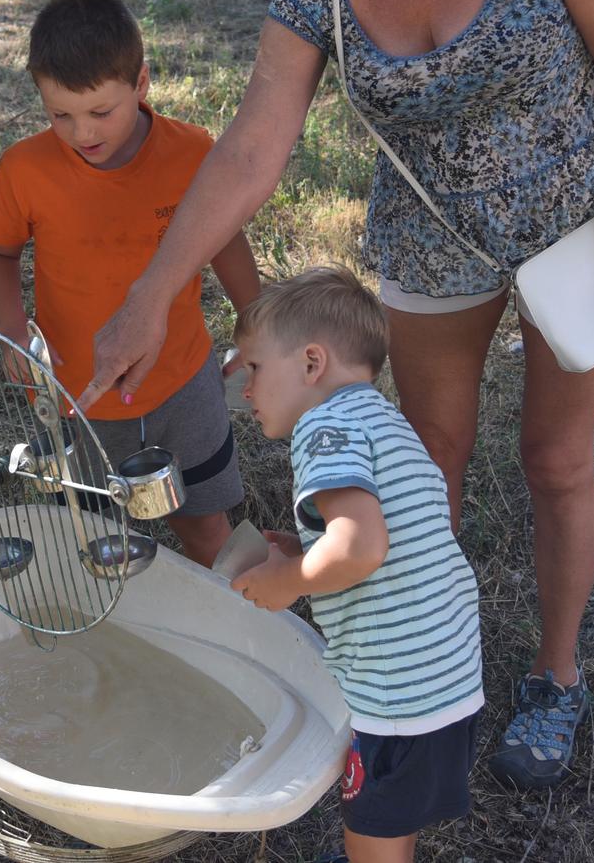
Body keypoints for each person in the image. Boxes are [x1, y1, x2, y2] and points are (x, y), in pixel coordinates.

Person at [79, 0, 594, 793]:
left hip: (575, 232)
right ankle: (412, 676)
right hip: (430, 240)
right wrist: (152, 290)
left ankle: (555, 677)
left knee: (555, 461)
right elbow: (251, 148)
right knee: (425, 462)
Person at [0, 0, 259, 567]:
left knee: (207, 530)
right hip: (77, 398)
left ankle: (228, 636)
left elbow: (223, 238)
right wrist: (11, 327)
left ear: (142, 83)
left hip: (182, 384)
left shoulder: (189, 153)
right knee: (90, 546)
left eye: (101, 111)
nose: (83, 133)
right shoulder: (25, 170)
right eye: (61, 115)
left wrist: (258, 321)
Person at [229, 267, 483, 863]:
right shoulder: (383, 420)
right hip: (445, 675)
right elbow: (382, 534)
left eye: (255, 367)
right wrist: (299, 551)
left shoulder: (322, 427)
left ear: (312, 363)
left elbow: (362, 549)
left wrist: (285, 582)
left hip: (398, 696)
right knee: (393, 820)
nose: (245, 388)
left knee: (370, 827)